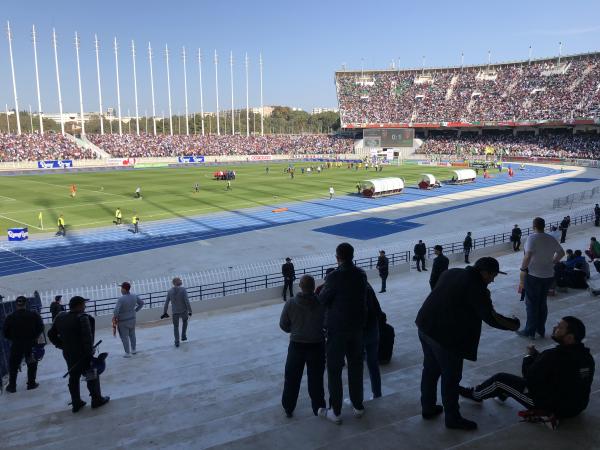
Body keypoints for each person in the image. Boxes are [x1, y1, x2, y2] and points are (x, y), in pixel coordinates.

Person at [415, 257, 520, 430]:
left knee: (430, 370)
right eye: (492, 275)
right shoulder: (476, 288)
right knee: (451, 379)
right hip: (446, 338)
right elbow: (491, 317)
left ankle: (428, 408)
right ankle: (452, 418)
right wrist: (513, 325)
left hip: (425, 327)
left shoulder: (452, 272)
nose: (493, 280)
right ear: (484, 272)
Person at [459, 317, 594, 422]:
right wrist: (539, 358)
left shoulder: (553, 356)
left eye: (559, 327)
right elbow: (559, 369)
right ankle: (502, 393)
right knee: (540, 376)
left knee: (500, 379)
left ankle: (476, 395)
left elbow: (529, 378)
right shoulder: (586, 357)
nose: (554, 328)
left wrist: (529, 356)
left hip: (551, 407)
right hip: (577, 407)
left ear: (569, 338)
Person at [317, 242, 368, 424]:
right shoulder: (361, 275)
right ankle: (357, 405)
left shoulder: (334, 277)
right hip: (356, 328)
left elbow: (322, 300)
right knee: (356, 366)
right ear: (352, 256)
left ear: (337, 257)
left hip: (337, 330)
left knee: (334, 369)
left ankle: (336, 411)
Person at [48, 296, 110, 412]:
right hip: (83, 354)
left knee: (73, 376)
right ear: (79, 305)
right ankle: (96, 399)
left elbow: (51, 334)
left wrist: (62, 345)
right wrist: (89, 353)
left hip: (68, 353)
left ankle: (76, 402)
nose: (85, 306)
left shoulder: (60, 317)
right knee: (91, 374)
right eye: (83, 304)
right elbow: (87, 339)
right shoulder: (83, 318)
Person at [279, 275, 326, 418]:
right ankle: (318, 408)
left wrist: (294, 330)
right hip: (317, 345)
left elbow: (283, 324)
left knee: (292, 378)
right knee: (316, 379)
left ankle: (288, 407)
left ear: (300, 286)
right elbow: (327, 322)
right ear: (313, 287)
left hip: (296, 345)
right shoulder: (321, 303)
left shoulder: (291, 303)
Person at [518, 217, 565, 340]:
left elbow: (528, 255)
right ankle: (540, 330)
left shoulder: (531, 238)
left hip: (534, 275)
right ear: (544, 226)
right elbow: (561, 252)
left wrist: (523, 268)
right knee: (542, 303)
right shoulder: (551, 238)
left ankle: (530, 331)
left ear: (533, 226)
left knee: (532, 304)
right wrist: (553, 262)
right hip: (548, 275)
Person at [2, 296, 44, 393]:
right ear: (26, 304)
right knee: (31, 363)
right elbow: (41, 327)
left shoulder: (10, 317)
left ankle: (12, 386)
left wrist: (13, 338)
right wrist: (35, 336)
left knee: (13, 365)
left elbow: (5, 332)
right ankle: (31, 383)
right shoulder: (33, 315)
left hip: (16, 344)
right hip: (30, 343)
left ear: (16, 305)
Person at [113, 282, 144, 357]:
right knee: (132, 335)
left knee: (124, 337)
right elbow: (142, 303)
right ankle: (134, 350)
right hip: (132, 319)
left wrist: (115, 317)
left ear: (124, 289)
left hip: (123, 321)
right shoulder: (134, 296)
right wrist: (135, 310)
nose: (121, 290)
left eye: (121, 288)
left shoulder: (121, 299)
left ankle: (127, 353)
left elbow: (116, 311)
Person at [364, 283, 383, 400]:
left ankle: (357, 398)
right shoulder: (369, 289)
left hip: (359, 333)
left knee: (355, 365)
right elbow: (379, 311)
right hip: (372, 330)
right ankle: (377, 393)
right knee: (373, 364)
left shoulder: (350, 291)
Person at [161, 277, 192, 347]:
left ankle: (177, 341)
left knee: (176, 326)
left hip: (175, 312)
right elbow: (186, 301)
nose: (181, 280)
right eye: (180, 280)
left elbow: (166, 303)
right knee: (185, 322)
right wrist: (190, 310)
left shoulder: (170, 291)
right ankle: (183, 336)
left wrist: (164, 312)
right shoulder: (183, 290)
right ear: (177, 282)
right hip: (183, 310)